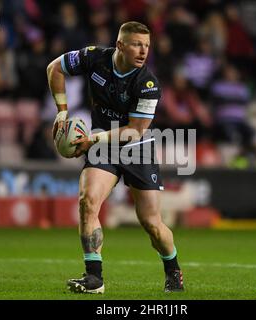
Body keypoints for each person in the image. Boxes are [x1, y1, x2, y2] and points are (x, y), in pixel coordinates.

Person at [46, 21, 184, 294]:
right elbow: (55, 68)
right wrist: (62, 111)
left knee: (151, 223)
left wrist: (92, 139)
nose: (143, 51)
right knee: (88, 201)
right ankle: (94, 277)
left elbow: (135, 130)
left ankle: (173, 270)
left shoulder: (148, 83)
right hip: (103, 147)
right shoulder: (94, 58)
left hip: (137, 148)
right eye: (136, 44)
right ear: (120, 45)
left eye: (146, 45)